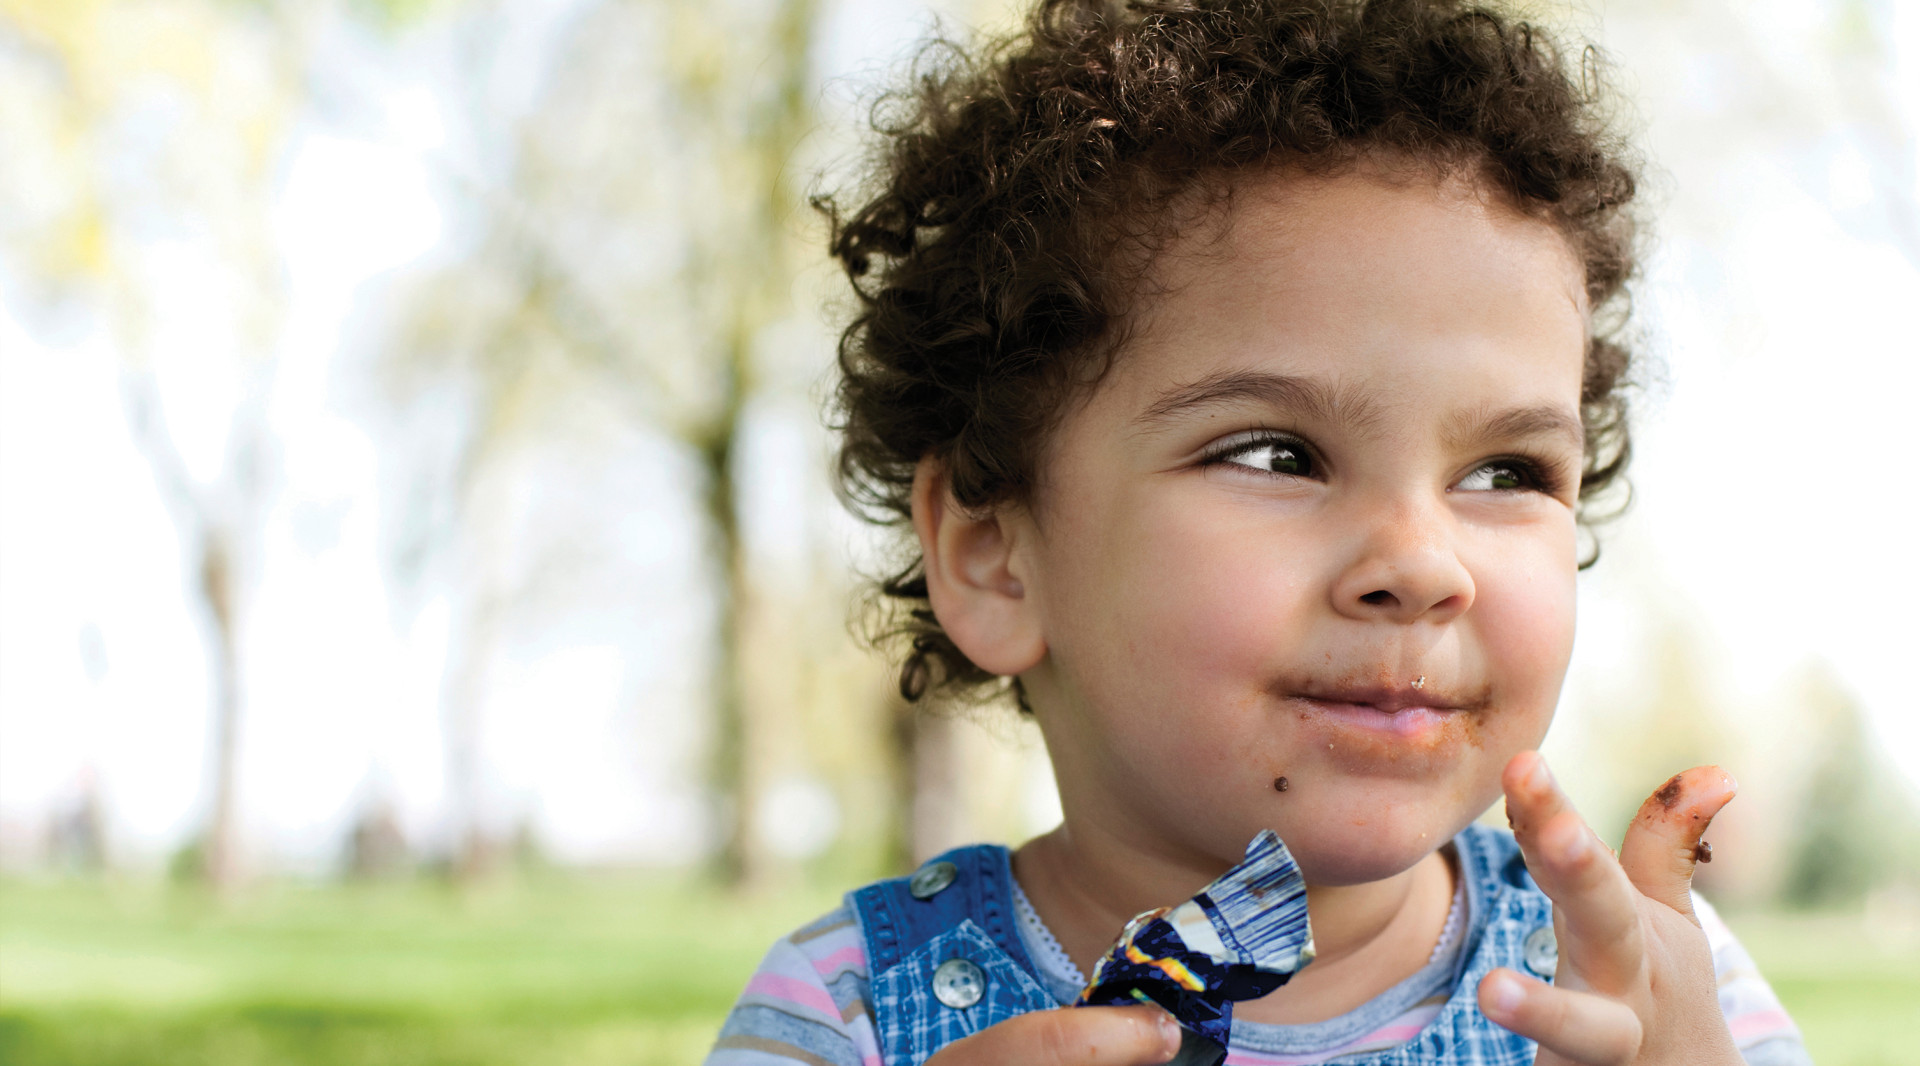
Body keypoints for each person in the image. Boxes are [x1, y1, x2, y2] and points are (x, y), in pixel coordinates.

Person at [708, 0, 1808, 1063]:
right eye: (1277, 455)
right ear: (994, 555)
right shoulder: (847, 1010)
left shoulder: (1651, 988)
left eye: (1506, 470)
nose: (1423, 566)